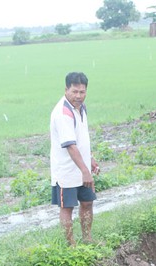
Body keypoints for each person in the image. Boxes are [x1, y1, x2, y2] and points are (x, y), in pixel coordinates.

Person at [50, 72, 100, 245]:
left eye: (82, 91)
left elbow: (80, 138)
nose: (79, 96)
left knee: (87, 203)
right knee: (67, 207)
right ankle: (71, 245)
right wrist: (85, 171)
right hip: (66, 170)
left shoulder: (81, 107)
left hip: (82, 167)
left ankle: (87, 239)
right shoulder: (63, 113)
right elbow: (70, 145)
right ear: (66, 90)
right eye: (75, 91)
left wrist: (90, 159)